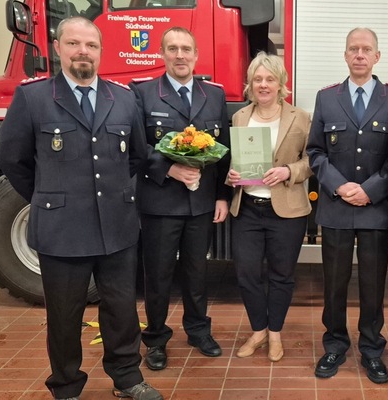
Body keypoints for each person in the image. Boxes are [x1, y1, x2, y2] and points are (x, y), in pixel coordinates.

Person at [0, 16, 162, 400]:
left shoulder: (122, 97)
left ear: (101, 52)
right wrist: (47, 198)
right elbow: (11, 158)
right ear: (57, 48)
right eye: (73, 43)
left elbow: (136, 156)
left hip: (117, 227)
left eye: (91, 45)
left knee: (121, 312)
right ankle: (67, 386)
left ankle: (126, 379)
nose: (82, 51)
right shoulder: (33, 97)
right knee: (65, 317)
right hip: (62, 230)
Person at [306, 27, 388, 383]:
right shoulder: (327, 98)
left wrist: (371, 190)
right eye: (353, 49)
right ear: (345, 56)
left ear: (377, 56)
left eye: (366, 49)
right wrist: (338, 185)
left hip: (376, 209)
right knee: (333, 283)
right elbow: (315, 151)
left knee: (373, 284)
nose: (359, 54)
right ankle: (334, 345)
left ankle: (372, 349)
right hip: (336, 207)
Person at [130, 26, 231, 371]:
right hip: (160, 201)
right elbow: (133, 146)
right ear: (162, 54)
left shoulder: (214, 95)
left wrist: (221, 196)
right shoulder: (142, 94)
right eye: (172, 49)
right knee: (157, 275)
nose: (180, 55)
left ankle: (198, 330)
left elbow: (224, 150)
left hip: (201, 203)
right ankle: (156, 339)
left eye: (186, 49)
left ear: (196, 54)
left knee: (197, 270)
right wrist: (168, 170)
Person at [227, 52, 312, 363]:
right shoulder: (240, 117)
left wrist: (290, 171)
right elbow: (233, 161)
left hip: (286, 210)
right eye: (258, 79)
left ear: (281, 84)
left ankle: (274, 333)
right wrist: (231, 175)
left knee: (281, 275)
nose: (263, 84)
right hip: (247, 208)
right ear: (250, 83)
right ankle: (258, 329)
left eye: (269, 79)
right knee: (246, 273)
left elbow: (312, 161)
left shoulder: (300, 117)